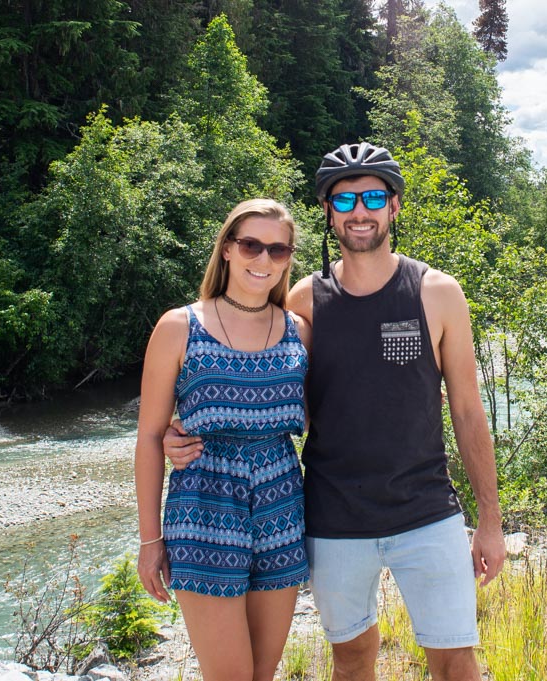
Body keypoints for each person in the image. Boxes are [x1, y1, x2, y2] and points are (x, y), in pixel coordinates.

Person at [165, 143, 505, 681]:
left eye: (373, 197)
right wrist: (177, 427)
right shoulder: (302, 301)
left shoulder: (437, 293)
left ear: (394, 206)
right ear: (328, 213)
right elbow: (245, 368)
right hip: (333, 518)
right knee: (350, 658)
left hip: (427, 511)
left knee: (455, 659)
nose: (359, 211)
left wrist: (490, 520)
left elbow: (467, 410)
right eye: (345, 201)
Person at [135, 198, 310, 681]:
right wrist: (151, 541)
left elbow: (326, 417)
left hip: (282, 507)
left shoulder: (299, 331)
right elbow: (150, 438)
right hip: (204, 506)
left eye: (278, 250)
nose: (264, 260)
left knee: (264, 671)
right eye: (251, 244)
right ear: (228, 249)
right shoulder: (179, 326)